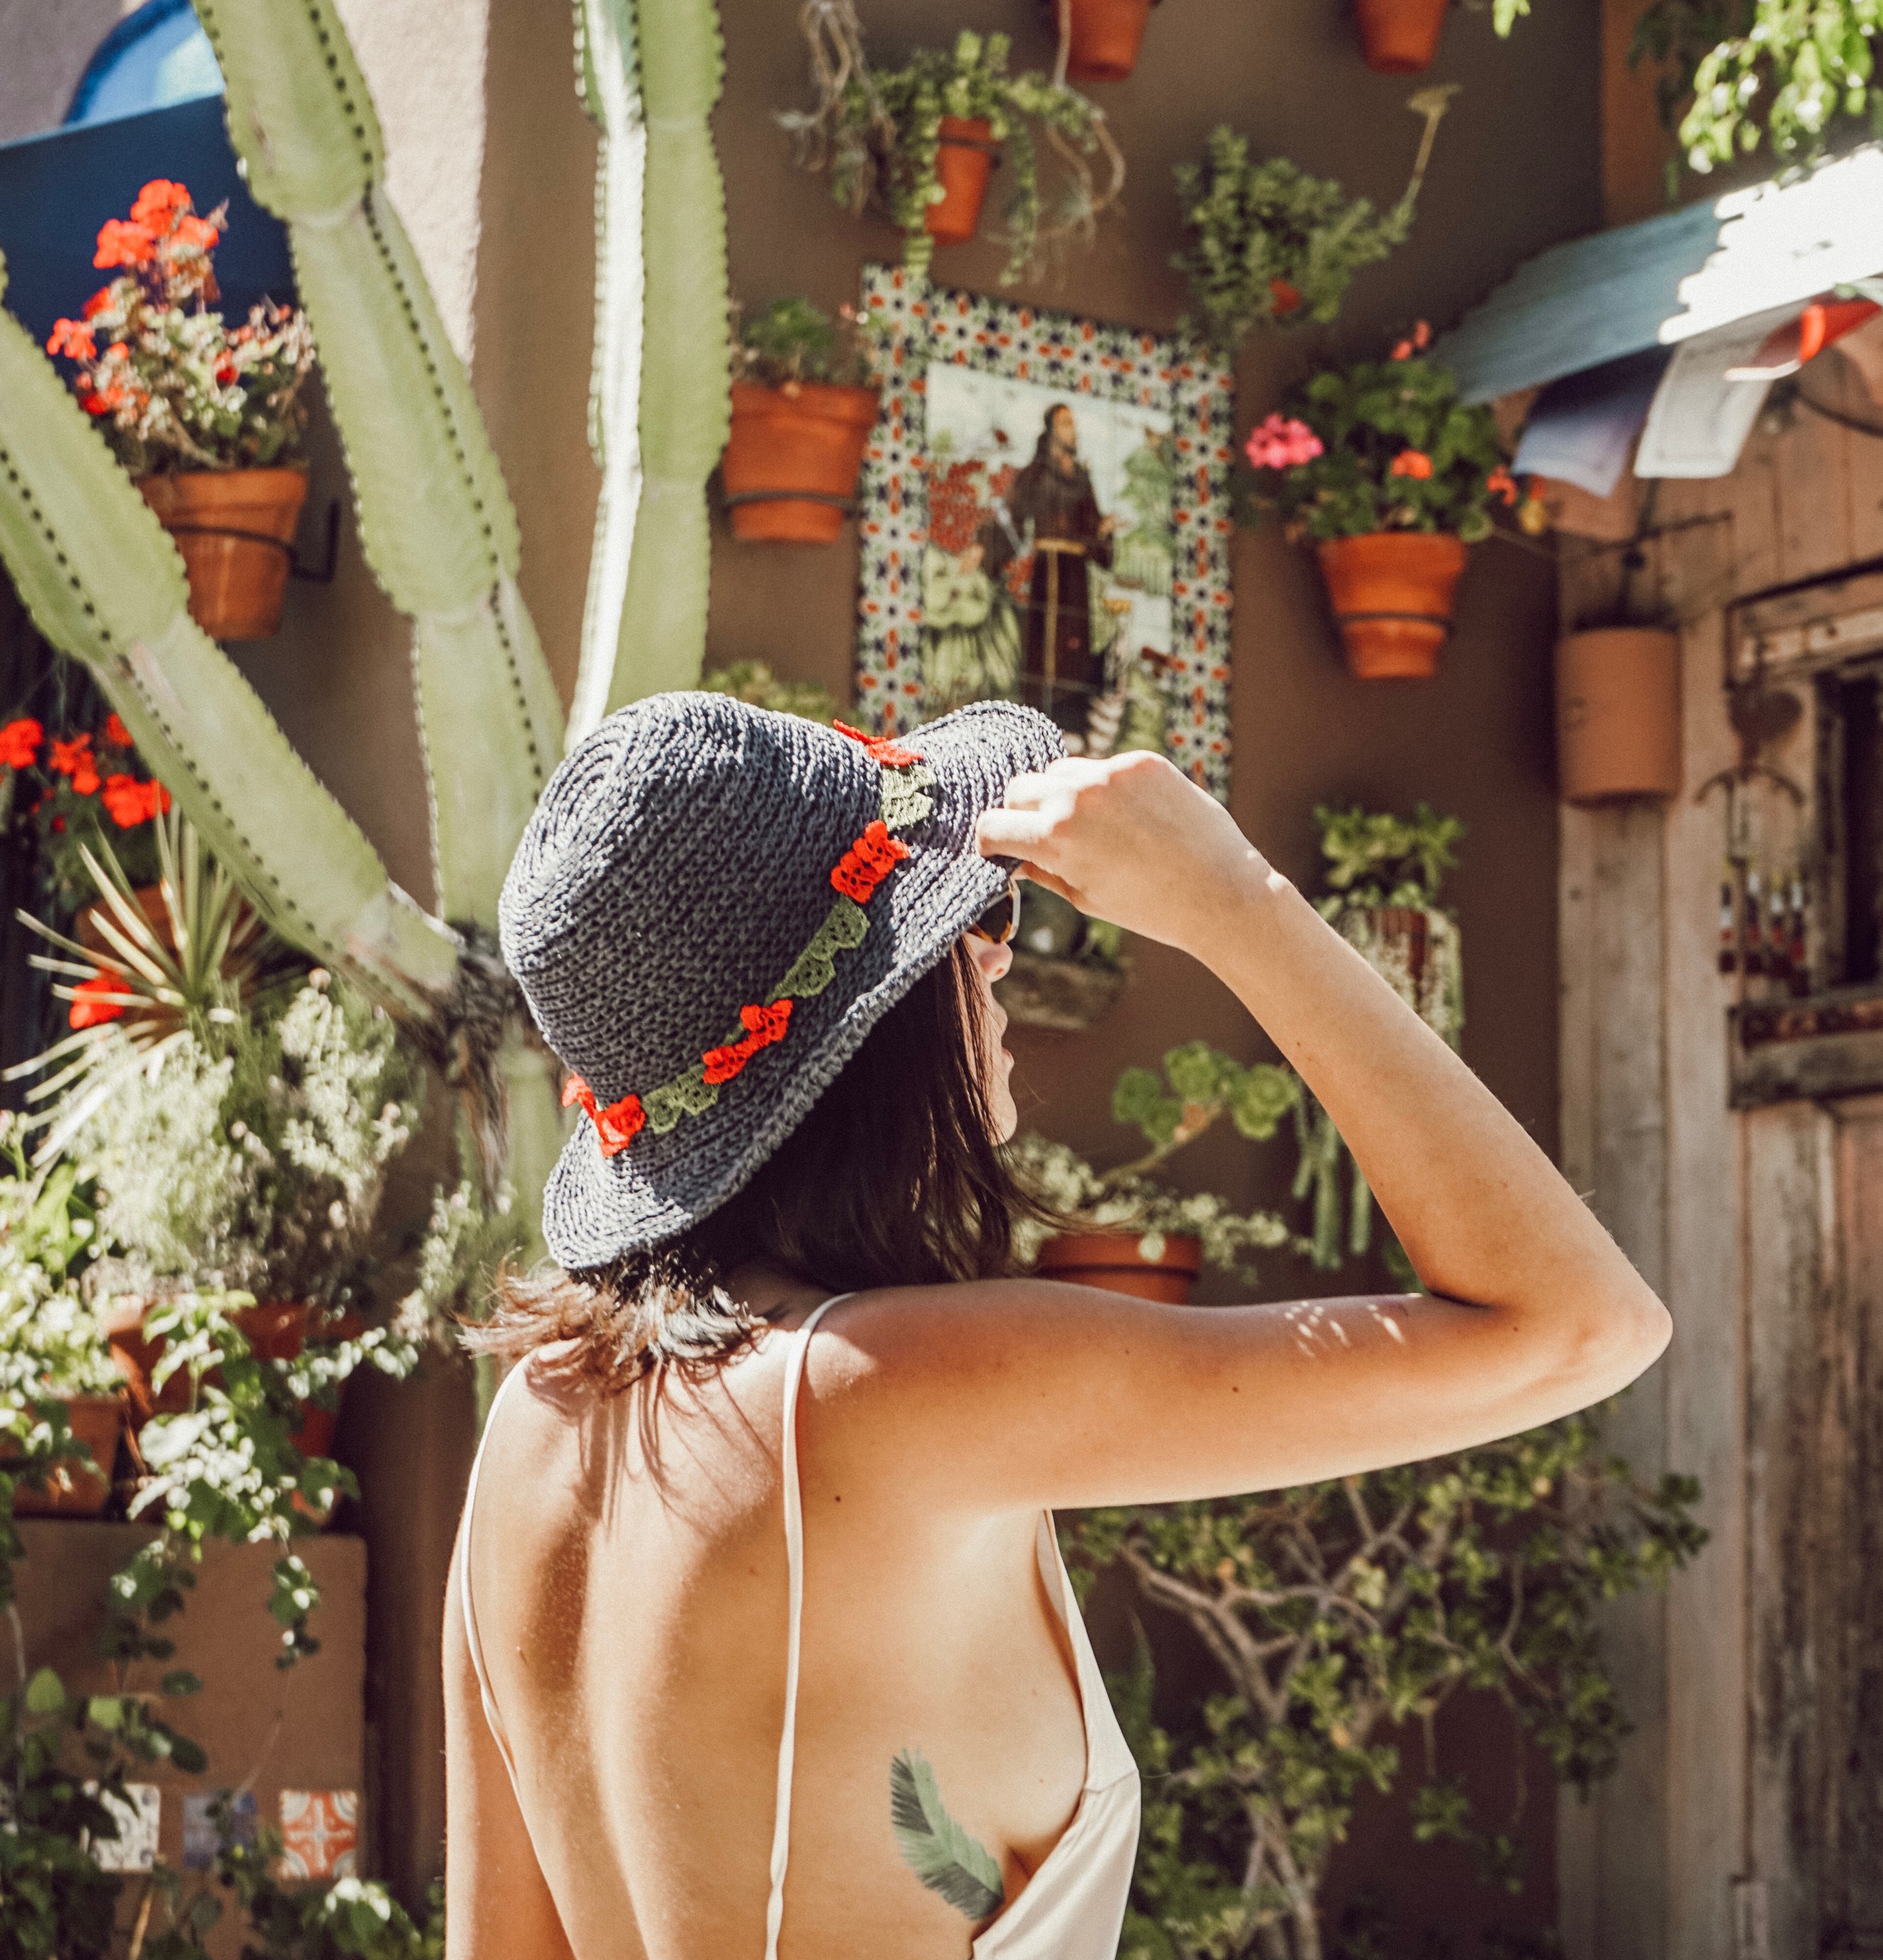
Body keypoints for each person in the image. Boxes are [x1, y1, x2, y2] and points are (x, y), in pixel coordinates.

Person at [444, 693, 1671, 1960]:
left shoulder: (533, 1427)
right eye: (968, 921)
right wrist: (1236, 902)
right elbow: (1580, 1324)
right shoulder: (879, 1391)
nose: (996, 957)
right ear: (857, 1028)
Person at [982, 404, 1116, 736]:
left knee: (1074, 644)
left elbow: (1093, 527)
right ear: (1052, 430)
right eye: (1066, 423)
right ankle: (1039, 717)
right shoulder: (1036, 474)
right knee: (1045, 643)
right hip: (1048, 569)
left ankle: (1071, 717)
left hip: (1076, 574)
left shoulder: (1081, 478)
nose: (1073, 430)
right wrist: (988, 551)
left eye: (1073, 423)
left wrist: (1103, 533)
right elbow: (1013, 517)